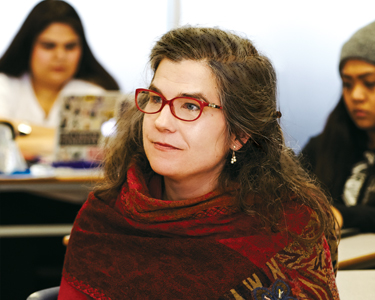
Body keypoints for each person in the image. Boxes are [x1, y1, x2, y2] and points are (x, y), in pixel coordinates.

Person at [59, 26, 339, 299]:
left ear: (239, 134)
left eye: (191, 106)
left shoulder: (288, 226)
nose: (161, 122)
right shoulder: (105, 218)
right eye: (156, 98)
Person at [0, 0, 119, 160]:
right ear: (28, 46)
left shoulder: (94, 95)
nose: (60, 56)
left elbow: (106, 149)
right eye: (49, 46)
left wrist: (17, 130)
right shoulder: (5, 85)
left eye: (70, 46)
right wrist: (67, 141)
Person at [301, 20, 375, 233]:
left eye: (369, 83)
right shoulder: (324, 146)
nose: (356, 96)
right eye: (347, 84)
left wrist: (343, 215)